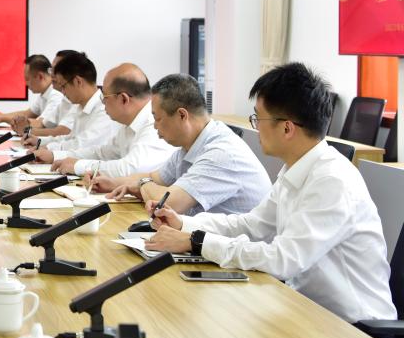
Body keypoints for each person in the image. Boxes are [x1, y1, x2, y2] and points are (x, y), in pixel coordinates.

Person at [146, 63, 396, 324]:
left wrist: (196, 242)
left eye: (258, 119)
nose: (256, 127)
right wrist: (183, 224)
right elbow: (251, 226)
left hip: (355, 329)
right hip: (304, 311)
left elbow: (283, 259)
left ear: (287, 128)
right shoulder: (295, 168)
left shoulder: (332, 181)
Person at [90, 73, 270, 216]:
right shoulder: (190, 145)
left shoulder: (221, 153)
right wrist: (112, 183)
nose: (154, 126)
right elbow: (155, 177)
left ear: (182, 115)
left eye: (157, 118)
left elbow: (170, 203)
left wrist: (143, 184)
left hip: (237, 249)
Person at [39, 63, 175, 176]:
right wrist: (56, 156)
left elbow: (129, 169)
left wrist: (79, 166)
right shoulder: (129, 124)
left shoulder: (154, 122)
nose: (102, 102)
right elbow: (103, 153)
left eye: (104, 97)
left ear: (123, 99)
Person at [25, 51, 119, 156]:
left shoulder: (104, 109)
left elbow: (83, 145)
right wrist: (40, 142)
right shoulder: (79, 106)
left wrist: (50, 151)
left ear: (78, 81)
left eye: (63, 86)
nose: (63, 92)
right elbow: (70, 138)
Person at [0, 55, 68, 136]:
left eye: (27, 79)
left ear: (40, 76)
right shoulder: (45, 94)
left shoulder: (56, 95)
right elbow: (27, 114)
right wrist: (0, 117)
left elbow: (40, 124)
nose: (26, 84)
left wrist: (2, 118)